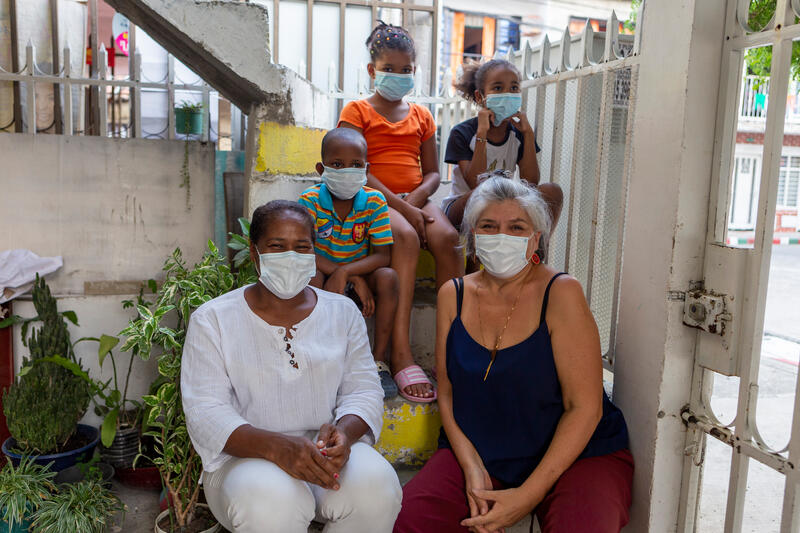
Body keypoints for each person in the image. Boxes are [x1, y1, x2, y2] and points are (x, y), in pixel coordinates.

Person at [394, 178, 632, 533]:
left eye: (516, 227)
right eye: (489, 226)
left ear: (536, 239)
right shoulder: (452, 294)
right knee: (412, 520)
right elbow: (446, 392)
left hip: (576, 454)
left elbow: (585, 407)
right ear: (473, 236)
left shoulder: (561, 292)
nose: (501, 236)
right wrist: (471, 465)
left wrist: (525, 498)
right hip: (482, 448)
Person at [181, 200, 402, 533]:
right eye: (277, 246)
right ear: (255, 255)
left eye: (302, 247)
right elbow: (206, 412)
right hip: (242, 462)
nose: (291, 256)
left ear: (314, 254)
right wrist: (278, 448)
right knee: (273, 505)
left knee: (379, 490)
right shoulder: (213, 320)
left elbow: (364, 390)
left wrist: (344, 433)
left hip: (325, 455)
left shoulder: (343, 313)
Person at [339, 21, 464, 403]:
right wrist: (401, 208)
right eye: (389, 69)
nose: (398, 75)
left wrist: (414, 202)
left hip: (414, 199)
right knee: (407, 237)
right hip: (375, 199)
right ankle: (400, 353)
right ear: (372, 71)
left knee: (449, 239)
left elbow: (432, 172)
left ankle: (450, 350)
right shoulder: (357, 111)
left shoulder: (422, 116)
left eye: (406, 69)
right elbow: (356, 171)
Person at [299, 127, 399, 398]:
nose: (347, 171)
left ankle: (377, 364)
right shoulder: (309, 202)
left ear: (367, 168)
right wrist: (346, 275)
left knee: (389, 277)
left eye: (355, 165)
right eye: (337, 164)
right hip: (326, 276)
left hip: (361, 276)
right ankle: (321, 359)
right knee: (311, 278)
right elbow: (306, 250)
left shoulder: (375, 201)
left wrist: (350, 273)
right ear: (321, 169)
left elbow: (383, 255)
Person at [442, 59, 563, 234]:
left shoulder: (519, 133)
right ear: (480, 96)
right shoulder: (462, 133)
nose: (507, 93)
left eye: (514, 88)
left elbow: (531, 183)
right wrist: (482, 133)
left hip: (502, 203)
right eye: (498, 88)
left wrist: (528, 134)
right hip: (462, 206)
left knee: (551, 191)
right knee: (486, 191)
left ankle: (537, 251)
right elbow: (475, 183)